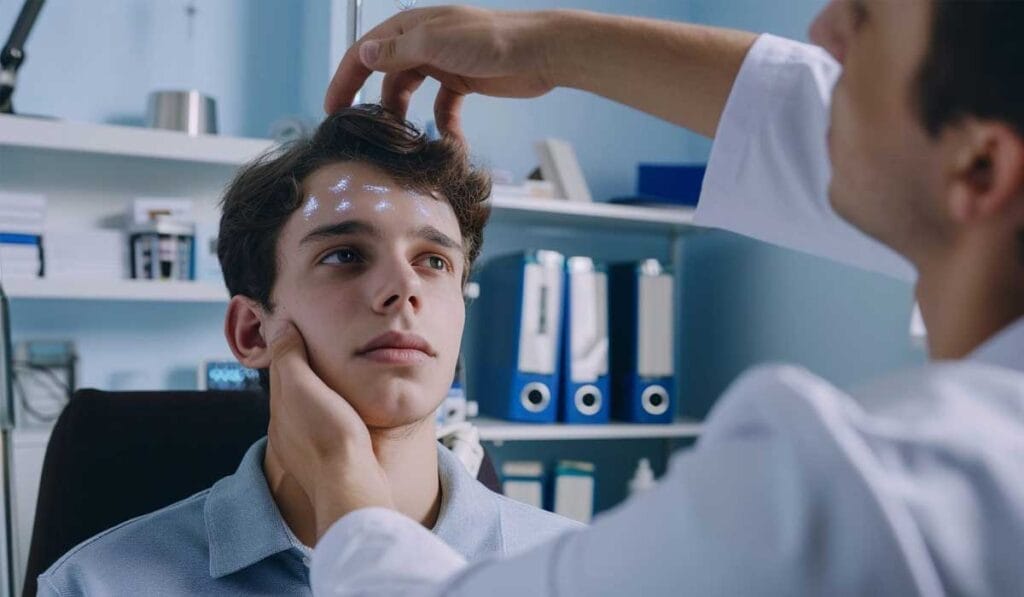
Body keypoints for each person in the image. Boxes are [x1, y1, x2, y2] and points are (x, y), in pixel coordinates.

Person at [264, 2, 1024, 595]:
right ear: (249, 326)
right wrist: (541, 42)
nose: (820, 31)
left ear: (983, 169)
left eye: (865, 14)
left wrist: (343, 478)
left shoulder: (873, 498)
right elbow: (805, 121)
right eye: (342, 254)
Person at [36, 106, 578, 597]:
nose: (403, 287)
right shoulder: (95, 585)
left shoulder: (580, 572)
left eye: (434, 261)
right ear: (253, 332)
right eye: (345, 254)